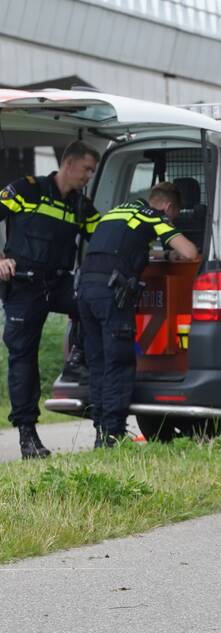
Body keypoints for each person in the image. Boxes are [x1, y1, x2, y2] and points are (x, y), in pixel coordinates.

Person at [0, 141, 101, 458]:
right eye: (87, 169)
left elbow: (104, 237)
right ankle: (27, 435)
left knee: (94, 302)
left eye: (92, 172)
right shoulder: (26, 190)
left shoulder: (81, 205)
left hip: (58, 283)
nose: (89, 176)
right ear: (69, 163)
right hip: (24, 285)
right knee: (23, 357)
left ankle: (78, 360)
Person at [77, 183, 198, 446]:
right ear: (168, 207)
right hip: (111, 295)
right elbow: (190, 252)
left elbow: (124, 247)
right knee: (118, 361)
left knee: (98, 362)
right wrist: (175, 247)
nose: (172, 220)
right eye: (174, 216)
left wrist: (163, 253)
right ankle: (113, 435)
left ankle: (101, 432)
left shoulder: (116, 212)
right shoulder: (153, 216)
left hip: (85, 291)